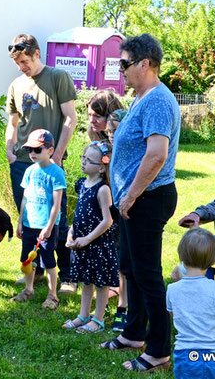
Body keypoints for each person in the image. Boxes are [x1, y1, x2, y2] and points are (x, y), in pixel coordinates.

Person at [100, 33, 180, 374]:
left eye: (124, 64)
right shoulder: (143, 97)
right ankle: (134, 334)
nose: (121, 71)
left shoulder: (158, 100)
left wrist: (130, 195)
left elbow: (157, 154)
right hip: (134, 199)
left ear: (144, 64)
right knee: (131, 269)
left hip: (147, 198)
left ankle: (159, 349)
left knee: (147, 274)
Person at [5, 34, 78, 294]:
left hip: (50, 162)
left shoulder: (58, 77)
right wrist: (10, 152)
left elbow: (71, 118)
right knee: (29, 218)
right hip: (22, 163)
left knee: (55, 219)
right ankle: (32, 270)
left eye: (24, 61)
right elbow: (12, 123)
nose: (21, 67)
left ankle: (67, 276)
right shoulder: (15, 85)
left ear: (37, 54)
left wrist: (58, 154)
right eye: (17, 63)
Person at [166, 228, 215, 379]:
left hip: (184, 354)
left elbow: (174, 316)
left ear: (181, 256)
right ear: (213, 260)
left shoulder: (172, 289)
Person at [61, 141, 118, 333]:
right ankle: (83, 315)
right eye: (83, 158)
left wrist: (88, 239)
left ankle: (98, 319)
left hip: (98, 244)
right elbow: (79, 213)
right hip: (82, 242)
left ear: (102, 167)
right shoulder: (82, 184)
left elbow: (107, 220)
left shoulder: (103, 189)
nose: (83, 162)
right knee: (86, 280)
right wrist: (72, 231)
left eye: (89, 160)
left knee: (101, 283)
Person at [86, 91, 130, 331]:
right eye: (90, 115)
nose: (92, 120)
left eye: (97, 116)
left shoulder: (121, 138)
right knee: (106, 256)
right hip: (103, 203)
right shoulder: (98, 140)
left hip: (122, 202)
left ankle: (123, 308)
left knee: (123, 259)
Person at [10, 129, 67, 310]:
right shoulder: (29, 171)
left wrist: (49, 226)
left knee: (48, 261)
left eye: (37, 150)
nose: (32, 154)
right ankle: (29, 290)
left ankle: (53, 295)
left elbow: (57, 204)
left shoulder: (56, 172)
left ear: (50, 150)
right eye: (30, 150)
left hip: (46, 226)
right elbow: (25, 198)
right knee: (28, 259)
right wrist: (20, 222)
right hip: (29, 224)